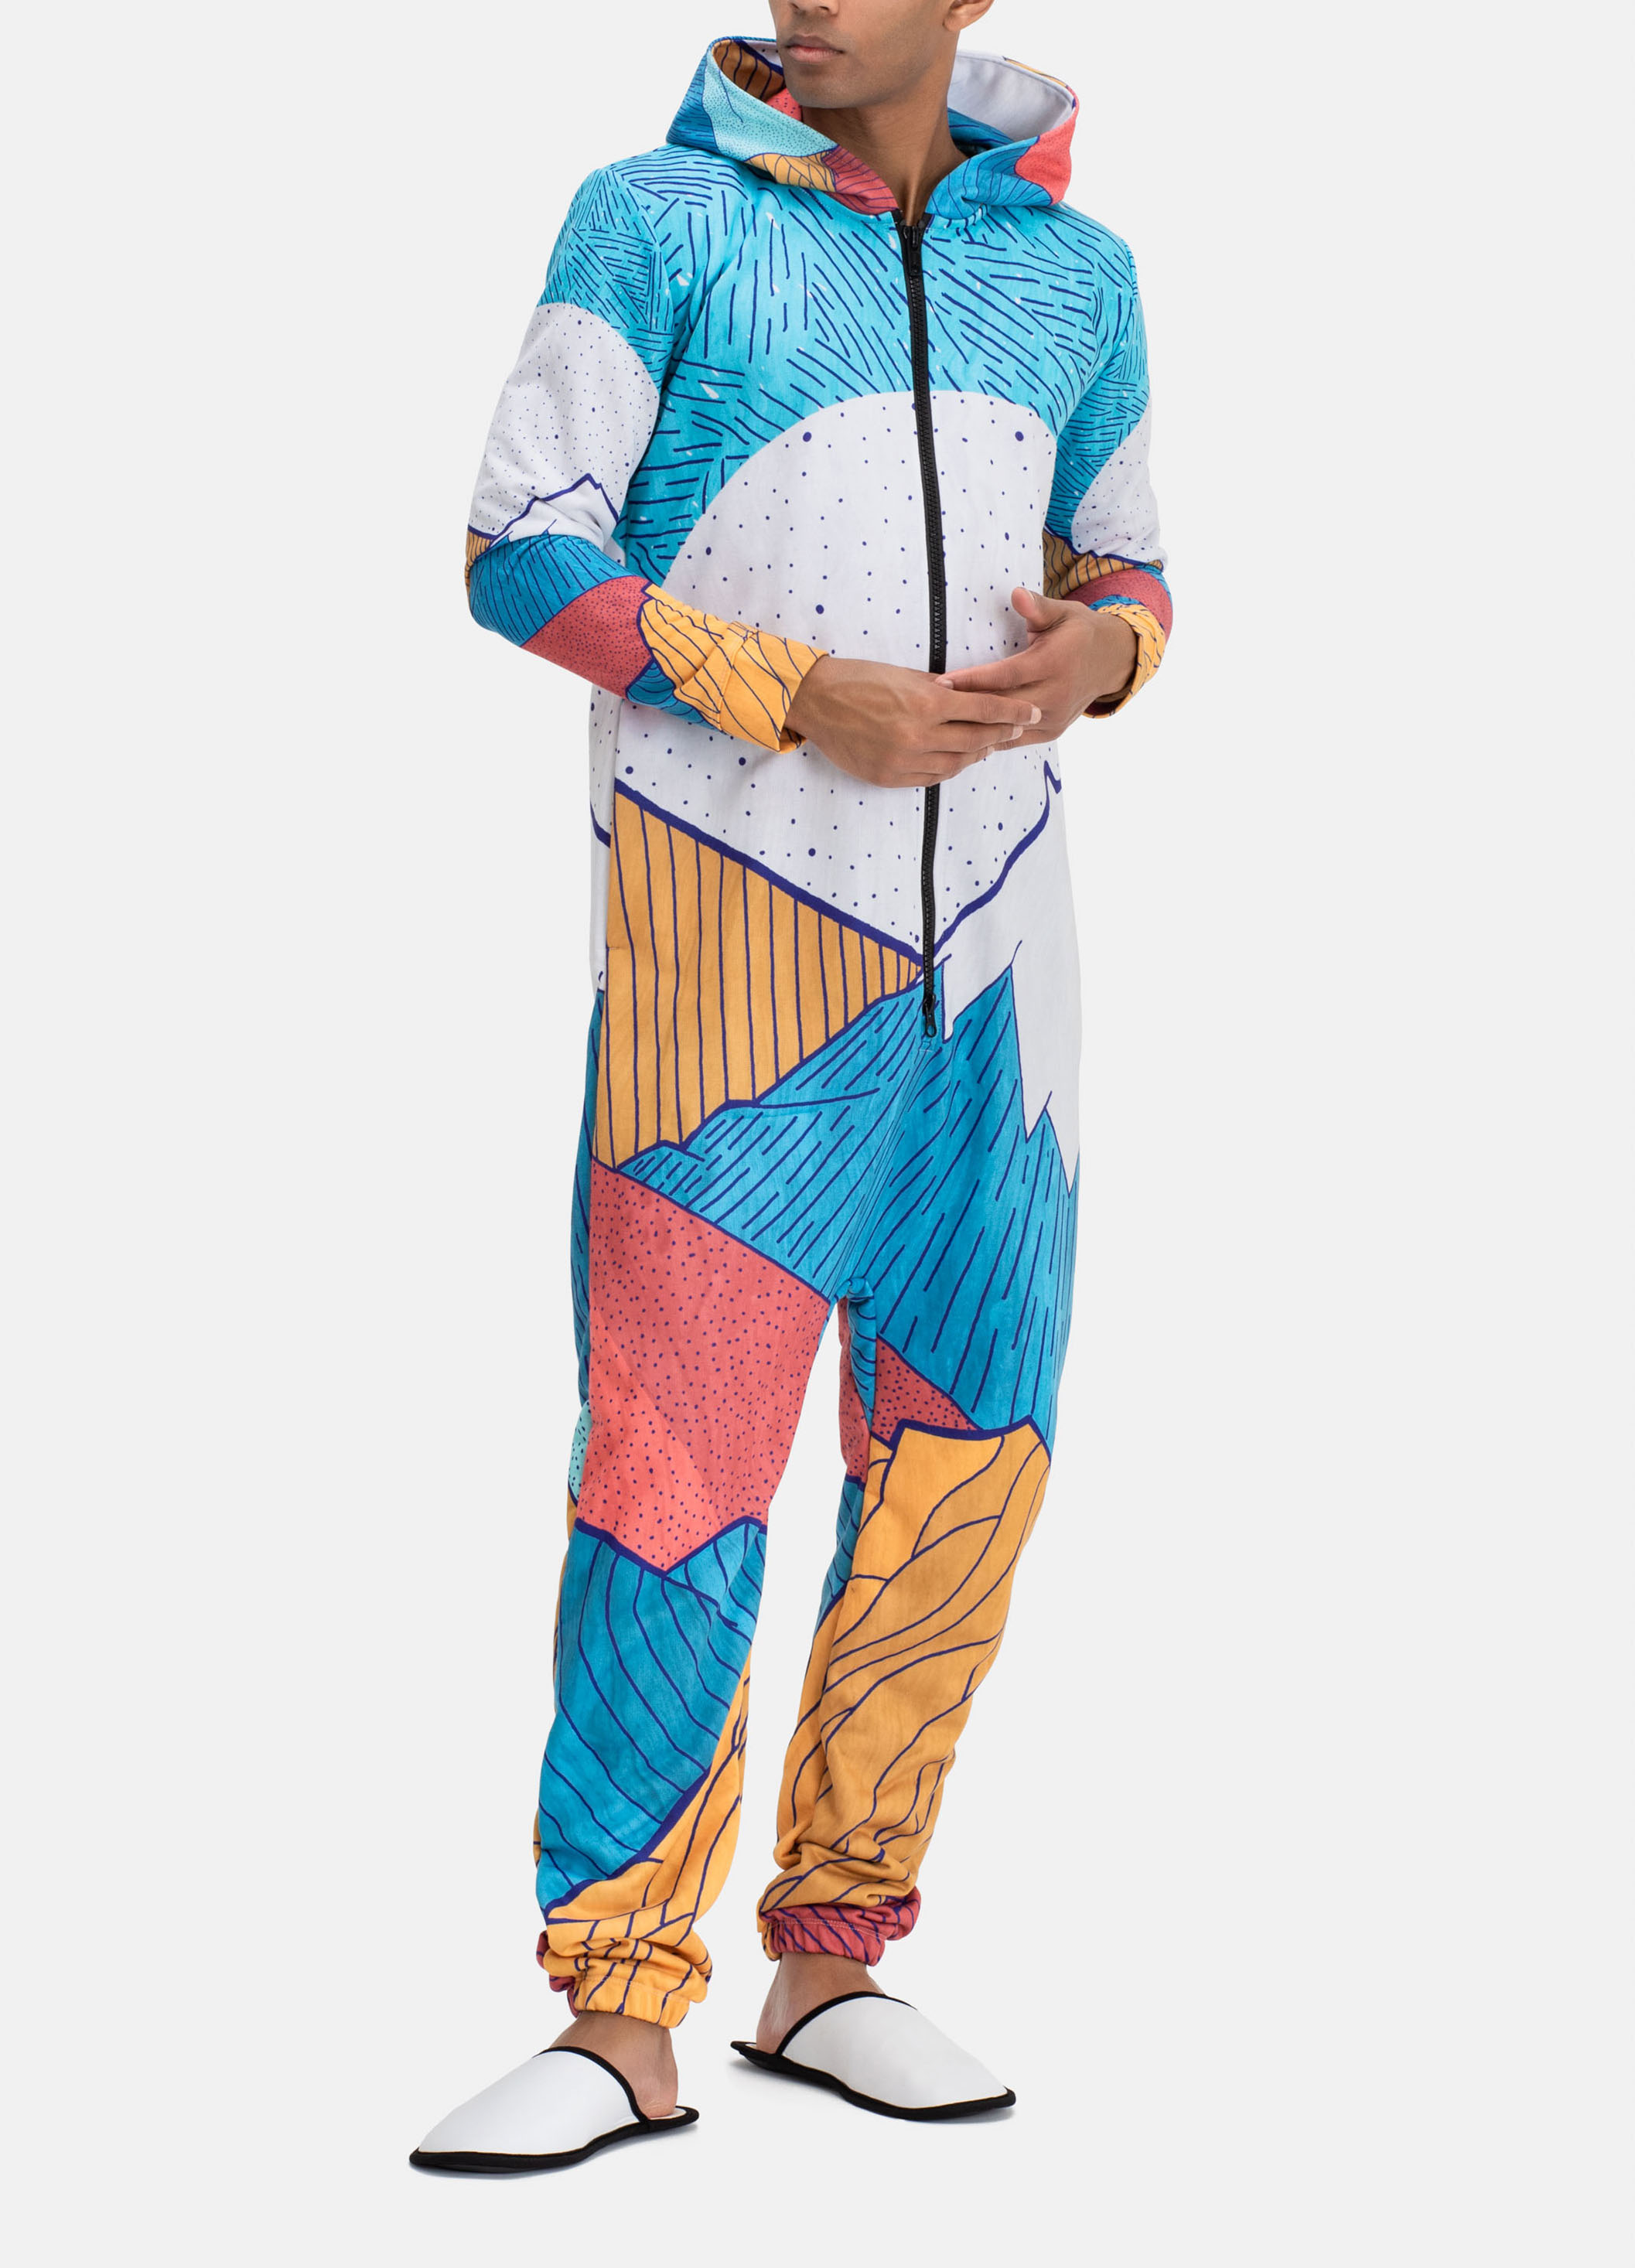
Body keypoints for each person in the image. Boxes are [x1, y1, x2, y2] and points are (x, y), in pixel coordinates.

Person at [411, 0, 1170, 2173]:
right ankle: (617, 2012)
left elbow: (1132, 566)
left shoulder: (1079, 273)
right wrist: (792, 692)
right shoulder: (655, 219)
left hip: (1001, 985)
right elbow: (519, 547)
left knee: (969, 1461)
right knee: (672, 1476)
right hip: (724, 984)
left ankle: (833, 1962)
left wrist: (1103, 654)